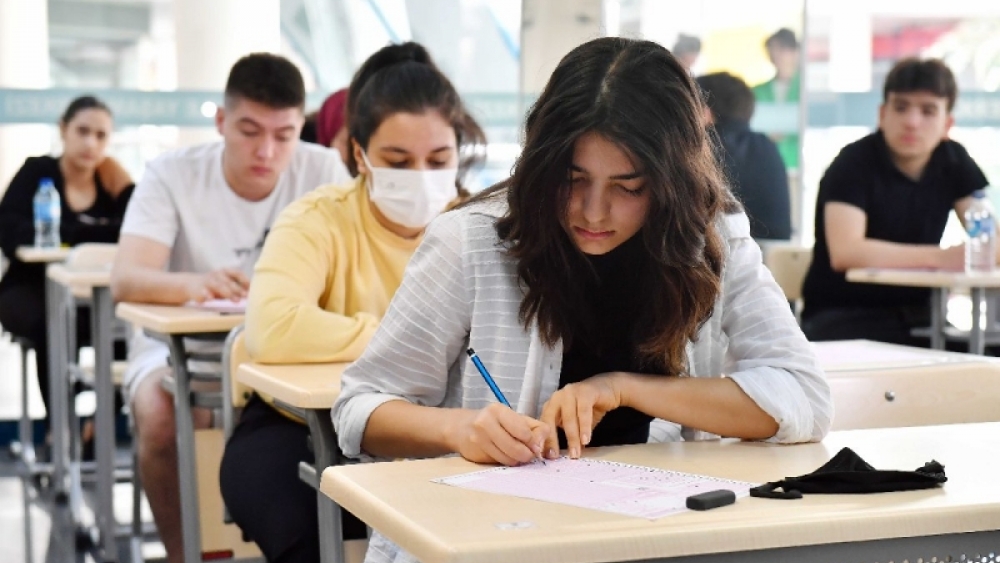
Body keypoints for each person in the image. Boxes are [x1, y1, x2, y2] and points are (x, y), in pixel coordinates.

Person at [332, 37, 832, 563]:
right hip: (488, 541)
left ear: (671, 182)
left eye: (628, 186)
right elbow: (358, 410)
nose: (594, 212)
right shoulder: (473, 241)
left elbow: (803, 398)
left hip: (653, 538)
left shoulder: (711, 238)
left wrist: (622, 388)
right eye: (573, 180)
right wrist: (459, 429)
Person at [218, 41, 486, 563]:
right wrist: (405, 341)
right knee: (301, 529)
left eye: (438, 160)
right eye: (397, 160)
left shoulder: (484, 228)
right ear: (360, 154)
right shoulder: (318, 218)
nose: (421, 176)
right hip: (297, 428)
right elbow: (272, 328)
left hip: (442, 434)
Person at [110, 53, 350, 563]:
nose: (266, 150)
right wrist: (198, 284)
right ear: (221, 122)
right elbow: (126, 279)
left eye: (284, 135)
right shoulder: (172, 173)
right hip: (177, 344)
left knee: (340, 417)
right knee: (161, 414)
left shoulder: (323, 168)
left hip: (283, 346)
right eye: (248, 131)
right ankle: (185, 554)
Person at [801, 58, 989, 346]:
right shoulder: (852, 163)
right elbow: (846, 252)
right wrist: (941, 259)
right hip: (842, 317)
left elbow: (989, 238)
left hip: (924, 317)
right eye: (901, 107)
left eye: (928, 111)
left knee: (986, 359)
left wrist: (979, 248)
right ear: (882, 113)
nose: (912, 122)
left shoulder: (955, 161)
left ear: (947, 123)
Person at [0, 95, 134, 439]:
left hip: (90, 295)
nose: (91, 143)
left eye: (101, 135)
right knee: (55, 324)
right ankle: (60, 430)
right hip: (28, 290)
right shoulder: (38, 173)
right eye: (83, 131)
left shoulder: (110, 184)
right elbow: (10, 231)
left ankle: (99, 422)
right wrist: (88, 233)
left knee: (127, 329)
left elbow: (138, 232)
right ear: (64, 130)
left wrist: (126, 186)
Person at [697, 72, 791, 241]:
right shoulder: (767, 147)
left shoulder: (701, 149)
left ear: (705, 112)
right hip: (772, 260)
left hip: (726, 258)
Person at [753, 28, 800, 170]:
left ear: (794, 52)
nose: (775, 55)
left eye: (781, 49)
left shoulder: (804, 90)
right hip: (766, 163)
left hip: (797, 163)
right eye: (772, 50)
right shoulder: (757, 91)